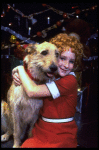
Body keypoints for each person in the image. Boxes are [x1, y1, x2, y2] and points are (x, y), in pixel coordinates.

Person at [12, 33, 84, 148]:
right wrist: (17, 75)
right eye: (62, 58)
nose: (66, 65)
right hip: (42, 128)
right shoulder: (51, 76)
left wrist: (19, 69)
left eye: (71, 62)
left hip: (61, 132)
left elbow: (32, 91)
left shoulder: (69, 80)